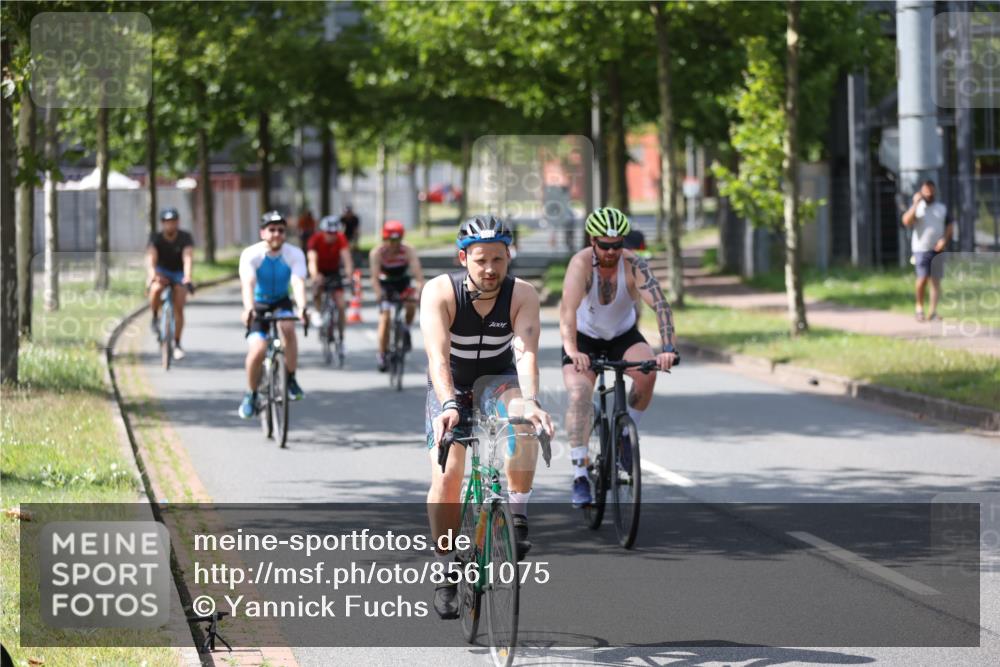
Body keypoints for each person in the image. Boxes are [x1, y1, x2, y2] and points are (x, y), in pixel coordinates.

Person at [420, 215, 554, 620]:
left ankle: (517, 518)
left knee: (525, 427)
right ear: (463, 258)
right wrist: (448, 406)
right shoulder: (439, 293)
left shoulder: (522, 294)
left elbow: (527, 351)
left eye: (499, 258)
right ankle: (445, 569)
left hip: (499, 381)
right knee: (448, 476)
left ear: (509, 256)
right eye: (481, 260)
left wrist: (530, 401)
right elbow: (438, 359)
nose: (491, 268)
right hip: (451, 387)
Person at [560, 207, 678, 507]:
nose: (611, 251)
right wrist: (573, 351)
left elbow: (661, 306)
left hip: (622, 336)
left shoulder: (634, 264)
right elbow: (567, 312)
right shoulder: (581, 264)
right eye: (604, 245)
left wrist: (668, 348)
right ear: (592, 240)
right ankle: (579, 474)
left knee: (647, 373)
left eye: (617, 245)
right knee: (579, 394)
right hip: (583, 338)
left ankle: (626, 434)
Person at [237, 211, 308, 419]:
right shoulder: (252, 254)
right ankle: (250, 394)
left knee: (288, 328)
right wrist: (248, 308)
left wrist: (302, 307)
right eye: (272, 230)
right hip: (259, 303)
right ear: (262, 232)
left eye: (281, 230)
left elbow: (297, 282)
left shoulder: (294, 254)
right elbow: (248, 283)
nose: (276, 234)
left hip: (281, 301)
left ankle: (291, 378)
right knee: (258, 349)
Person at [369, 220, 425, 372]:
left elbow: (417, 272)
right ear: (384, 239)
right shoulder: (377, 253)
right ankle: (382, 353)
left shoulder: (407, 250)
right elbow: (374, 277)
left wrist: (420, 288)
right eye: (391, 240)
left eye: (397, 240)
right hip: (385, 284)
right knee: (385, 319)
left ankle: (406, 328)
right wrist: (379, 293)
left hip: (402, 282)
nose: (394, 244)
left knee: (411, 305)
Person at [902, 179, 954, 322]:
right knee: (922, 279)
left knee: (935, 281)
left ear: (935, 190)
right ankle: (919, 308)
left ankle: (933, 311)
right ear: (921, 191)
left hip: (937, 249)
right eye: (926, 190)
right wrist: (915, 204)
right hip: (921, 249)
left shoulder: (941, 208)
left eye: (931, 190)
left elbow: (950, 225)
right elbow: (906, 221)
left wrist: (944, 239)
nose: (929, 193)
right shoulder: (917, 208)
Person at [147, 207, 195, 361]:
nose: (171, 225)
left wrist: (187, 276)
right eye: (167, 222)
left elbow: (187, 258)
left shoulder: (185, 237)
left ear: (177, 222)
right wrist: (153, 275)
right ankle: (155, 316)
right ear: (162, 223)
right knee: (155, 289)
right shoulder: (156, 238)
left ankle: (177, 343)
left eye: (173, 222)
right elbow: (151, 260)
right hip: (161, 271)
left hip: (178, 273)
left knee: (179, 307)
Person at [307, 215, 354, 349]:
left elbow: (347, 258)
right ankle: (317, 311)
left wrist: (349, 275)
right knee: (317, 289)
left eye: (334, 232)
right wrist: (315, 275)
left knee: (340, 305)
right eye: (329, 233)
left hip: (334, 272)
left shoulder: (340, 238)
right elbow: (312, 260)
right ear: (323, 231)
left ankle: (341, 336)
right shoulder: (315, 239)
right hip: (319, 270)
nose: (332, 236)